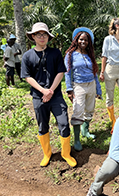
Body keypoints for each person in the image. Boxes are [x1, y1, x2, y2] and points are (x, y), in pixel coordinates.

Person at [21, 22, 77, 167]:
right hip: (38, 97)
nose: (42, 37)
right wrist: (43, 91)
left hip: (56, 96)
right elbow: (27, 77)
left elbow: (60, 72)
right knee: (42, 125)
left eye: (44, 34)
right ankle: (47, 154)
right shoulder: (27, 56)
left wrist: (50, 90)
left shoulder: (55, 53)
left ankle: (66, 153)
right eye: (38, 34)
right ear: (33, 37)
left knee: (64, 123)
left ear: (48, 36)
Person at [64, 27, 102, 151]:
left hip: (91, 84)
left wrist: (98, 89)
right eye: (81, 39)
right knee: (78, 110)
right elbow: (67, 73)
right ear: (76, 40)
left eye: (86, 40)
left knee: (90, 109)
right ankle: (77, 140)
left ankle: (85, 131)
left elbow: (94, 72)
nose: (83, 42)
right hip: (78, 86)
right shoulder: (70, 55)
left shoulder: (90, 55)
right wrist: (69, 89)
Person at [99, 18, 119, 133]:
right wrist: (102, 71)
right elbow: (104, 56)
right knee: (110, 98)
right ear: (117, 26)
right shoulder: (108, 40)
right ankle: (113, 122)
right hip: (110, 69)